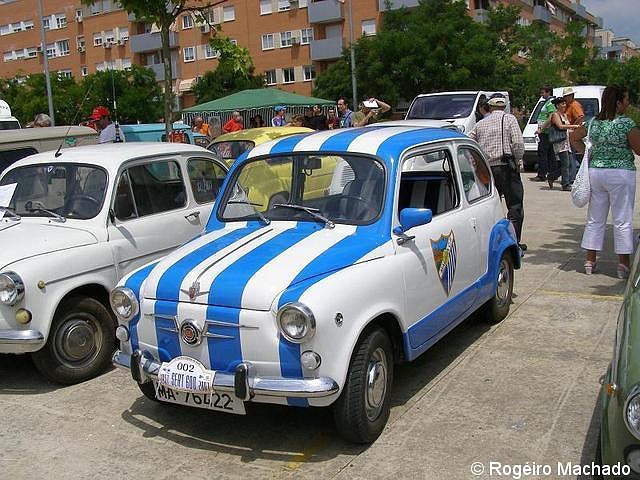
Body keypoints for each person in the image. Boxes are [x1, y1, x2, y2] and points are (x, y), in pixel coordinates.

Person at [574, 85, 640, 278]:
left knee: (595, 218)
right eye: (626, 100)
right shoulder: (626, 124)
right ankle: (623, 264)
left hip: (597, 172)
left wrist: (588, 154)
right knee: (622, 219)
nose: (628, 103)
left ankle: (590, 260)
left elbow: (574, 137)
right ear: (618, 103)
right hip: (620, 174)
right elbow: (638, 149)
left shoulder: (593, 122)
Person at [468, 94, 527, 252]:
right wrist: (518, 159)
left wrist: (475, 163)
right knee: (514, 206)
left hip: (486, 170)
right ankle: (514, 242)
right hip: (506, 168)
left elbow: (468, 141)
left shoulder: (480, 124)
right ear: (504, 106)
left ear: (489, 107)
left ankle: (488, 243)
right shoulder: (510, 119)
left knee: (489, 205)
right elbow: (518, 143)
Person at [542, 97, 581, 191]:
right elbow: (560, 126)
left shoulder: (564, 115)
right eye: (562, 104)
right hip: (560, 143)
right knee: (566, 163)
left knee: (566, 164)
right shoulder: (556, 115)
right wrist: (573, 126)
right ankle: (565, 184)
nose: (564, 105)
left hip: (566, 142)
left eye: (564, 103)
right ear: (557, 105)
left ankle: (551, 176)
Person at [531, 86, 557, 183]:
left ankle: (542, 175)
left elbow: (551, 116)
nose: (541, 95)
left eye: (543, 93)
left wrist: (542, 128)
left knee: (542, 153)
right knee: (550, 153)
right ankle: (552, 173)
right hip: (544, 131)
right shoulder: (547, 102)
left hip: (546, 132)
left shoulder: (550, 103)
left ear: (548, 92)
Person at [563, 87, 585, 181]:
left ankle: (572, 178)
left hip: (573, 133)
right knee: (572, 155)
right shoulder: (569, 105)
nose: (565, 98)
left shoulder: (574, 105)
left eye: (566, 96)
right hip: (570, 132)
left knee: (571, 155)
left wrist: (573, 127)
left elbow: (580, 116)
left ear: (571, 96)